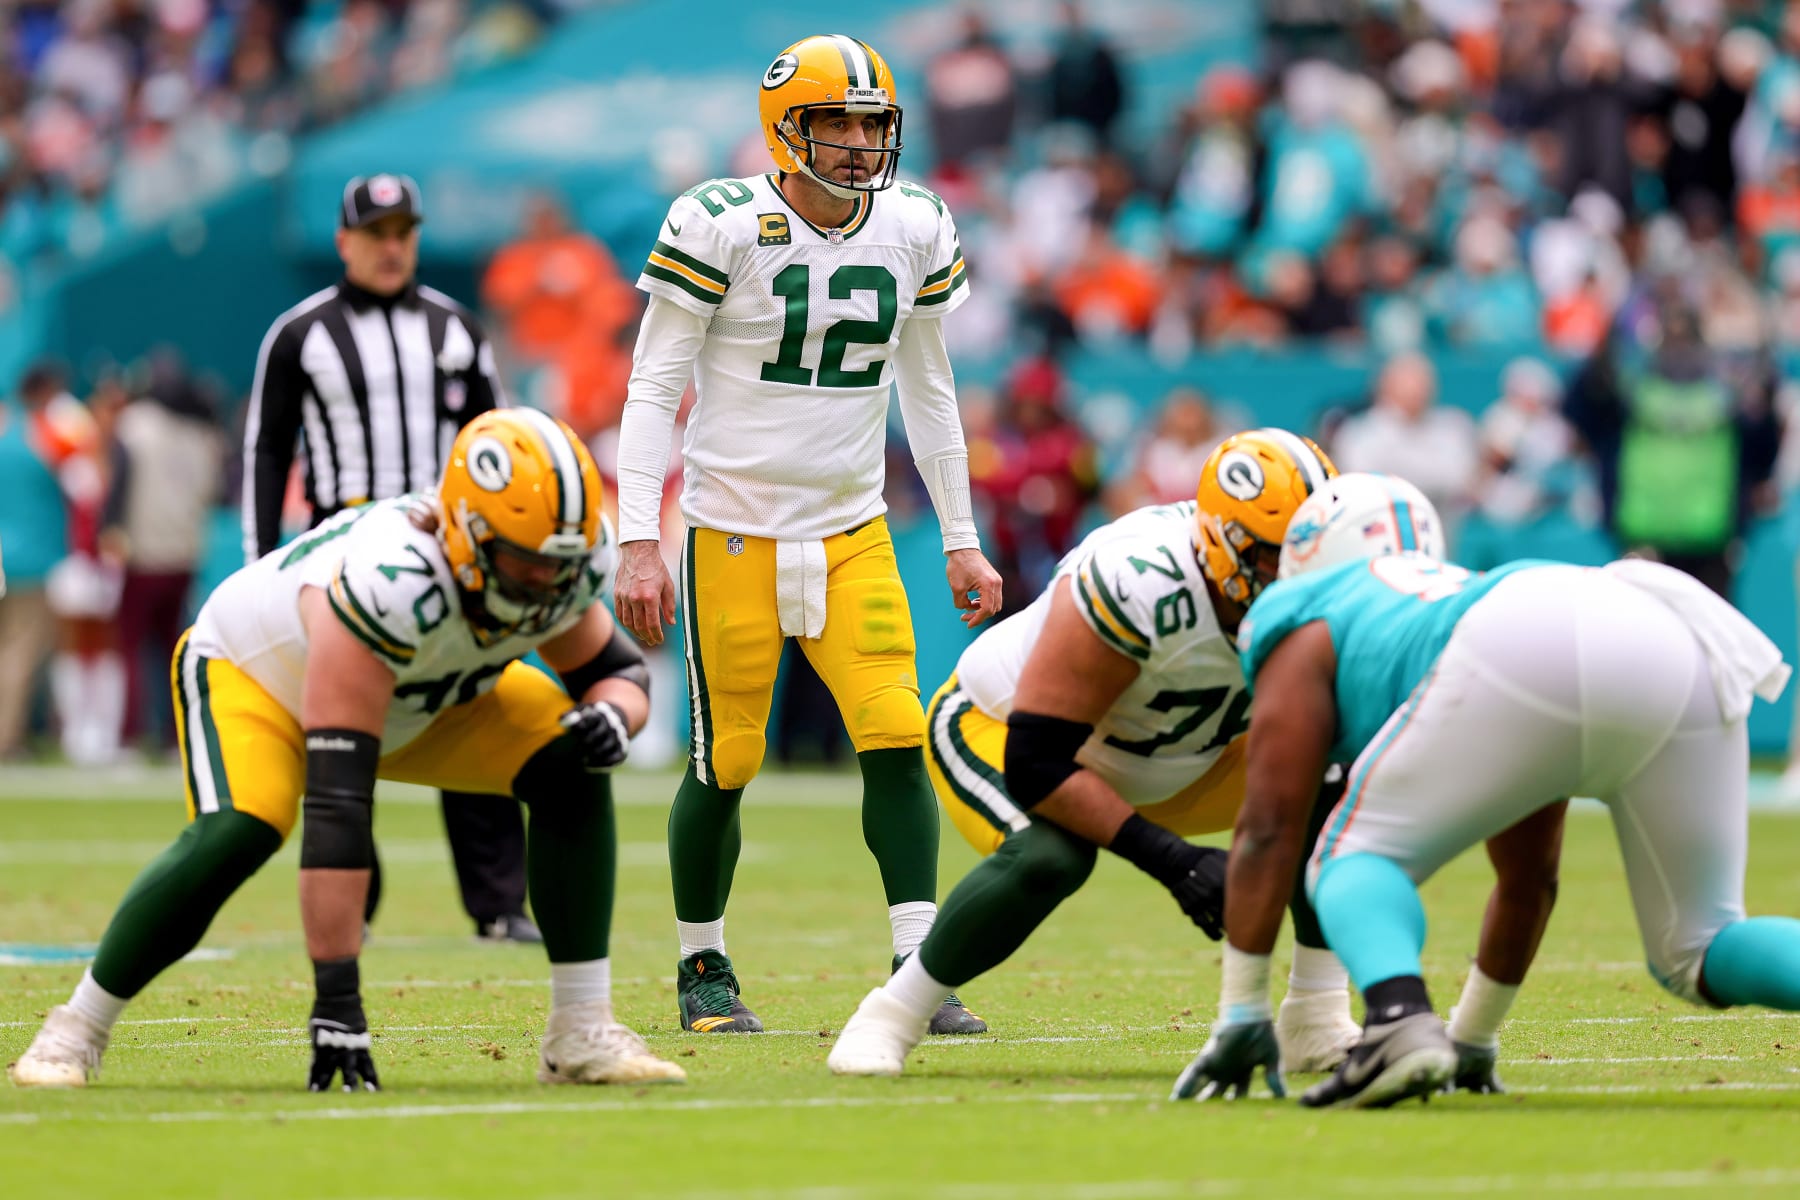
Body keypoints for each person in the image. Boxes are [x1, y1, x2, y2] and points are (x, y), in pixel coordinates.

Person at [8, 409, 685, 1091]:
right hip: (261, 678)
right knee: (242, 829)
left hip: (416, 696)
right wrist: (338, 1002)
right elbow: (338, 807)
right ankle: (76, 1027)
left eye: (556, 566)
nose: (543, 584)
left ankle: (581, 1028)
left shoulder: (551, 556)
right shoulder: (387, 585)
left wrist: (612, 716)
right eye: (522, 564)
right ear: (464, 535)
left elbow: (616, 672)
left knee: (572, 756)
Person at [1173, 473, 1800, 1110]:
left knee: (1346, 856)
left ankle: (1395, 1019)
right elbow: (1530, 878)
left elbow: (1269, 827)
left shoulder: (1302, 611)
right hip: (1667, 631)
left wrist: (1243, 1011)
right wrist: (1470, 1039)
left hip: (1522, 634)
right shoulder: (1451, 597)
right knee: (1700, 945)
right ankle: (1415, 1027)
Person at [613, 34, 1004, 1035]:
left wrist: (960, 532)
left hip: (852, 528)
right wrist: (636, 537)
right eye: (836, 122)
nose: (858, 144)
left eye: (872, 125)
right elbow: (656, 382)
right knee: (726, 756)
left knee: (892, 733)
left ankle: (919, 966)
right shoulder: (718, 221)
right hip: (730, 530)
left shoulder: (914, 223)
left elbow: (931, 386)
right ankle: (704, 965)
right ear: (785, 131)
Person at [828, 430, 1364, 1078]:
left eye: (1310, 552)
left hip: (1188, 756)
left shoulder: (1331, 589)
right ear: (1223, 543)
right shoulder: (1138, 580)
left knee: (1339, 776)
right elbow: (1038, 762)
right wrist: (1175, 861)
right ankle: (892, 1014)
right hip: (1002, 728)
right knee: (1052, 856)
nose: (1298, 573)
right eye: (1277, 556)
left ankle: (1316, 1012)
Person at [241, 173, 541, 944]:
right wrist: (259, 564)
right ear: (343, 242)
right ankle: (355, 907)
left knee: (477, 705)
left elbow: (498, 444)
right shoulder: (301, 332)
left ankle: (501, 905)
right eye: (375, 233)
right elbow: (268, 449)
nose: (390, 246)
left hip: (448, 552)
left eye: (403, 232)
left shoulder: (455, 326)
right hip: (341, 548)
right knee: (343, 726)